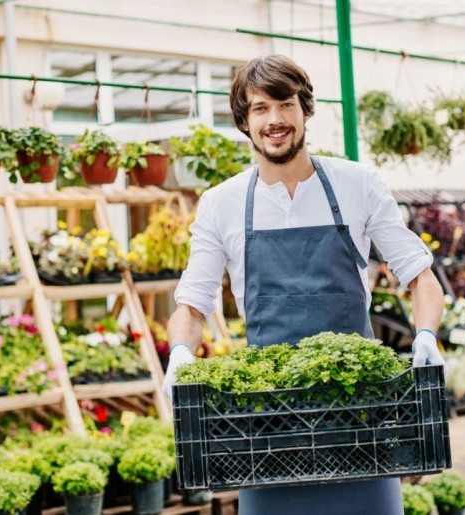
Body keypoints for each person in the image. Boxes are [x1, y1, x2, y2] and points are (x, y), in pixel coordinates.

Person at [163, 54, 445, 515]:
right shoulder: (222, 204)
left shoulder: (359, 184)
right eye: (260, 108)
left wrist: (428, 336)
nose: (274, 120)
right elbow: (192, 306)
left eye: (285, 104)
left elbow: (420, 276)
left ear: (305, 110)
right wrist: (179, 354)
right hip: (268, 429)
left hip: (361, 420)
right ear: (244, 121)